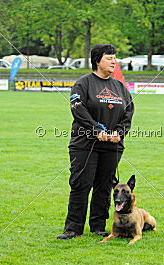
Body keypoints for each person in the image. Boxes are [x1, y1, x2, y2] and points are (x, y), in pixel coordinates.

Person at [57, 44, 134, 240]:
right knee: (81, 184)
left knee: (104, 186)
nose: (113, 62)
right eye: (109, 58)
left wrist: (119, 132)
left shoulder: (120, 88)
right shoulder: (83, 84)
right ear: (97, 60)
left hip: (112, 146)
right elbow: (78, 109)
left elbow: (128, 113)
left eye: (114, 58)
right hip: (85, 144)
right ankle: (73, 229)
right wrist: (96, 130)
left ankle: (98, 226)